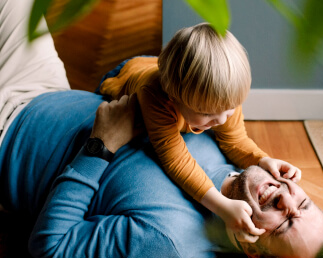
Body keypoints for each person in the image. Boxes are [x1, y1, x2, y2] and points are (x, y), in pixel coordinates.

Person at [0, 0, 323, 258]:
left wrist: (100, 146)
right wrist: (262, 156)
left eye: (284, 223)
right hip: (41, 87)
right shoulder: (228, 142)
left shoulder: (166, 247)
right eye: (302, 203)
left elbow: (49, 244)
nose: (285, 199)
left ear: (253, 249)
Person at [98, 23, 301, 244]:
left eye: (230, 109)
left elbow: (235, 140)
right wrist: (222, 206)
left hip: (161, 66)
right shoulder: (155, 97)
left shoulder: (222, 98)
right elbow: (176, 160)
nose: (221, 120)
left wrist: (262, 159)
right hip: (129, 73)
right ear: (173, 98)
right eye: (206, 113)